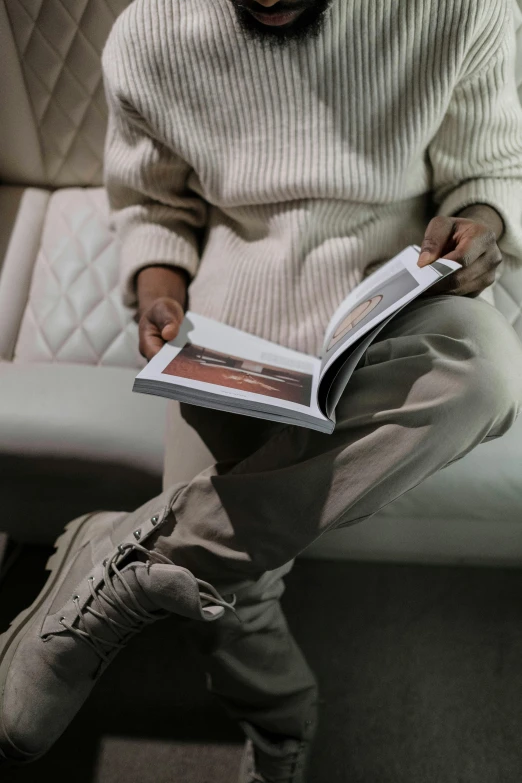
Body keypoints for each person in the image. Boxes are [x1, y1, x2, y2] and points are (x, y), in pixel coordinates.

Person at [1, 1, 522, 780]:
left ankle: (135, 558)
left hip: (390, 294)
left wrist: (482, 224)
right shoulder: (151, 34)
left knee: (486, 370)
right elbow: (153, 205)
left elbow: (490, 171)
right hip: (234, 321)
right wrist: (157, 285)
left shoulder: (459, 9)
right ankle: (282, 722)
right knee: (222, 590)